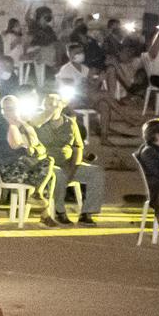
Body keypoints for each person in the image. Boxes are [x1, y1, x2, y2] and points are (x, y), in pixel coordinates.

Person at [35, 93, 102, 226]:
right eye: (47, 104)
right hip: (46, 165)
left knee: (96, 172)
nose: (50, 108)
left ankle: (87, 213)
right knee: (59, 174)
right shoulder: (37, 122)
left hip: (68, 163)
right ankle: (60, 212)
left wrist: (73, 167)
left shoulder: (70, 123)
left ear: (62, 105)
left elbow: (78, 147)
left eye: (53, 104)